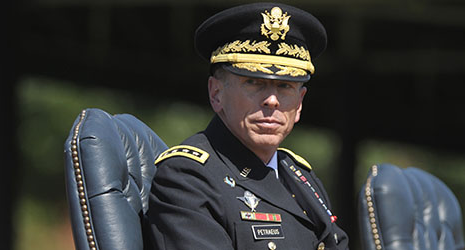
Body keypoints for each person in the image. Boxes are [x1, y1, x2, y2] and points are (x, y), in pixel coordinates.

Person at [146, 2, 349, 250]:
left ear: (300, 103)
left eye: (285, 86)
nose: (272, 100)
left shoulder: (300, 175)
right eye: (254, 82)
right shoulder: (188, 178)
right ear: (216, 93)